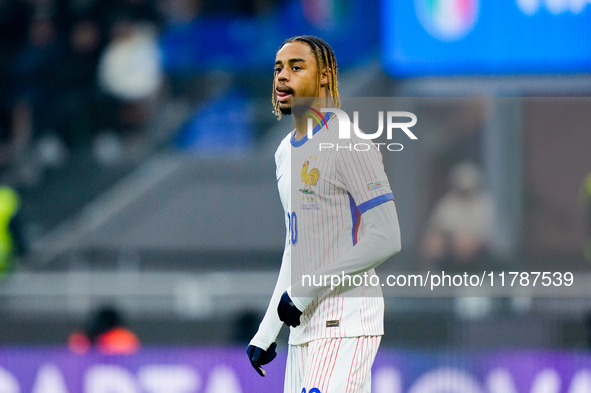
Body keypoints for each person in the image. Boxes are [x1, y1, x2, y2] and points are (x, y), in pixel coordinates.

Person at [246, 36, 401, 393]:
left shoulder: (349, 142)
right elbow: (295, 247)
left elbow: (386, 236)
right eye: (278, 69)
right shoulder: (285, 152)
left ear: (325, 77)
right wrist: (268, 330)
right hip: (303, 327)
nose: (283, 77)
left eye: (297, 67)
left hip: (346, 318)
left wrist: (303, 292)